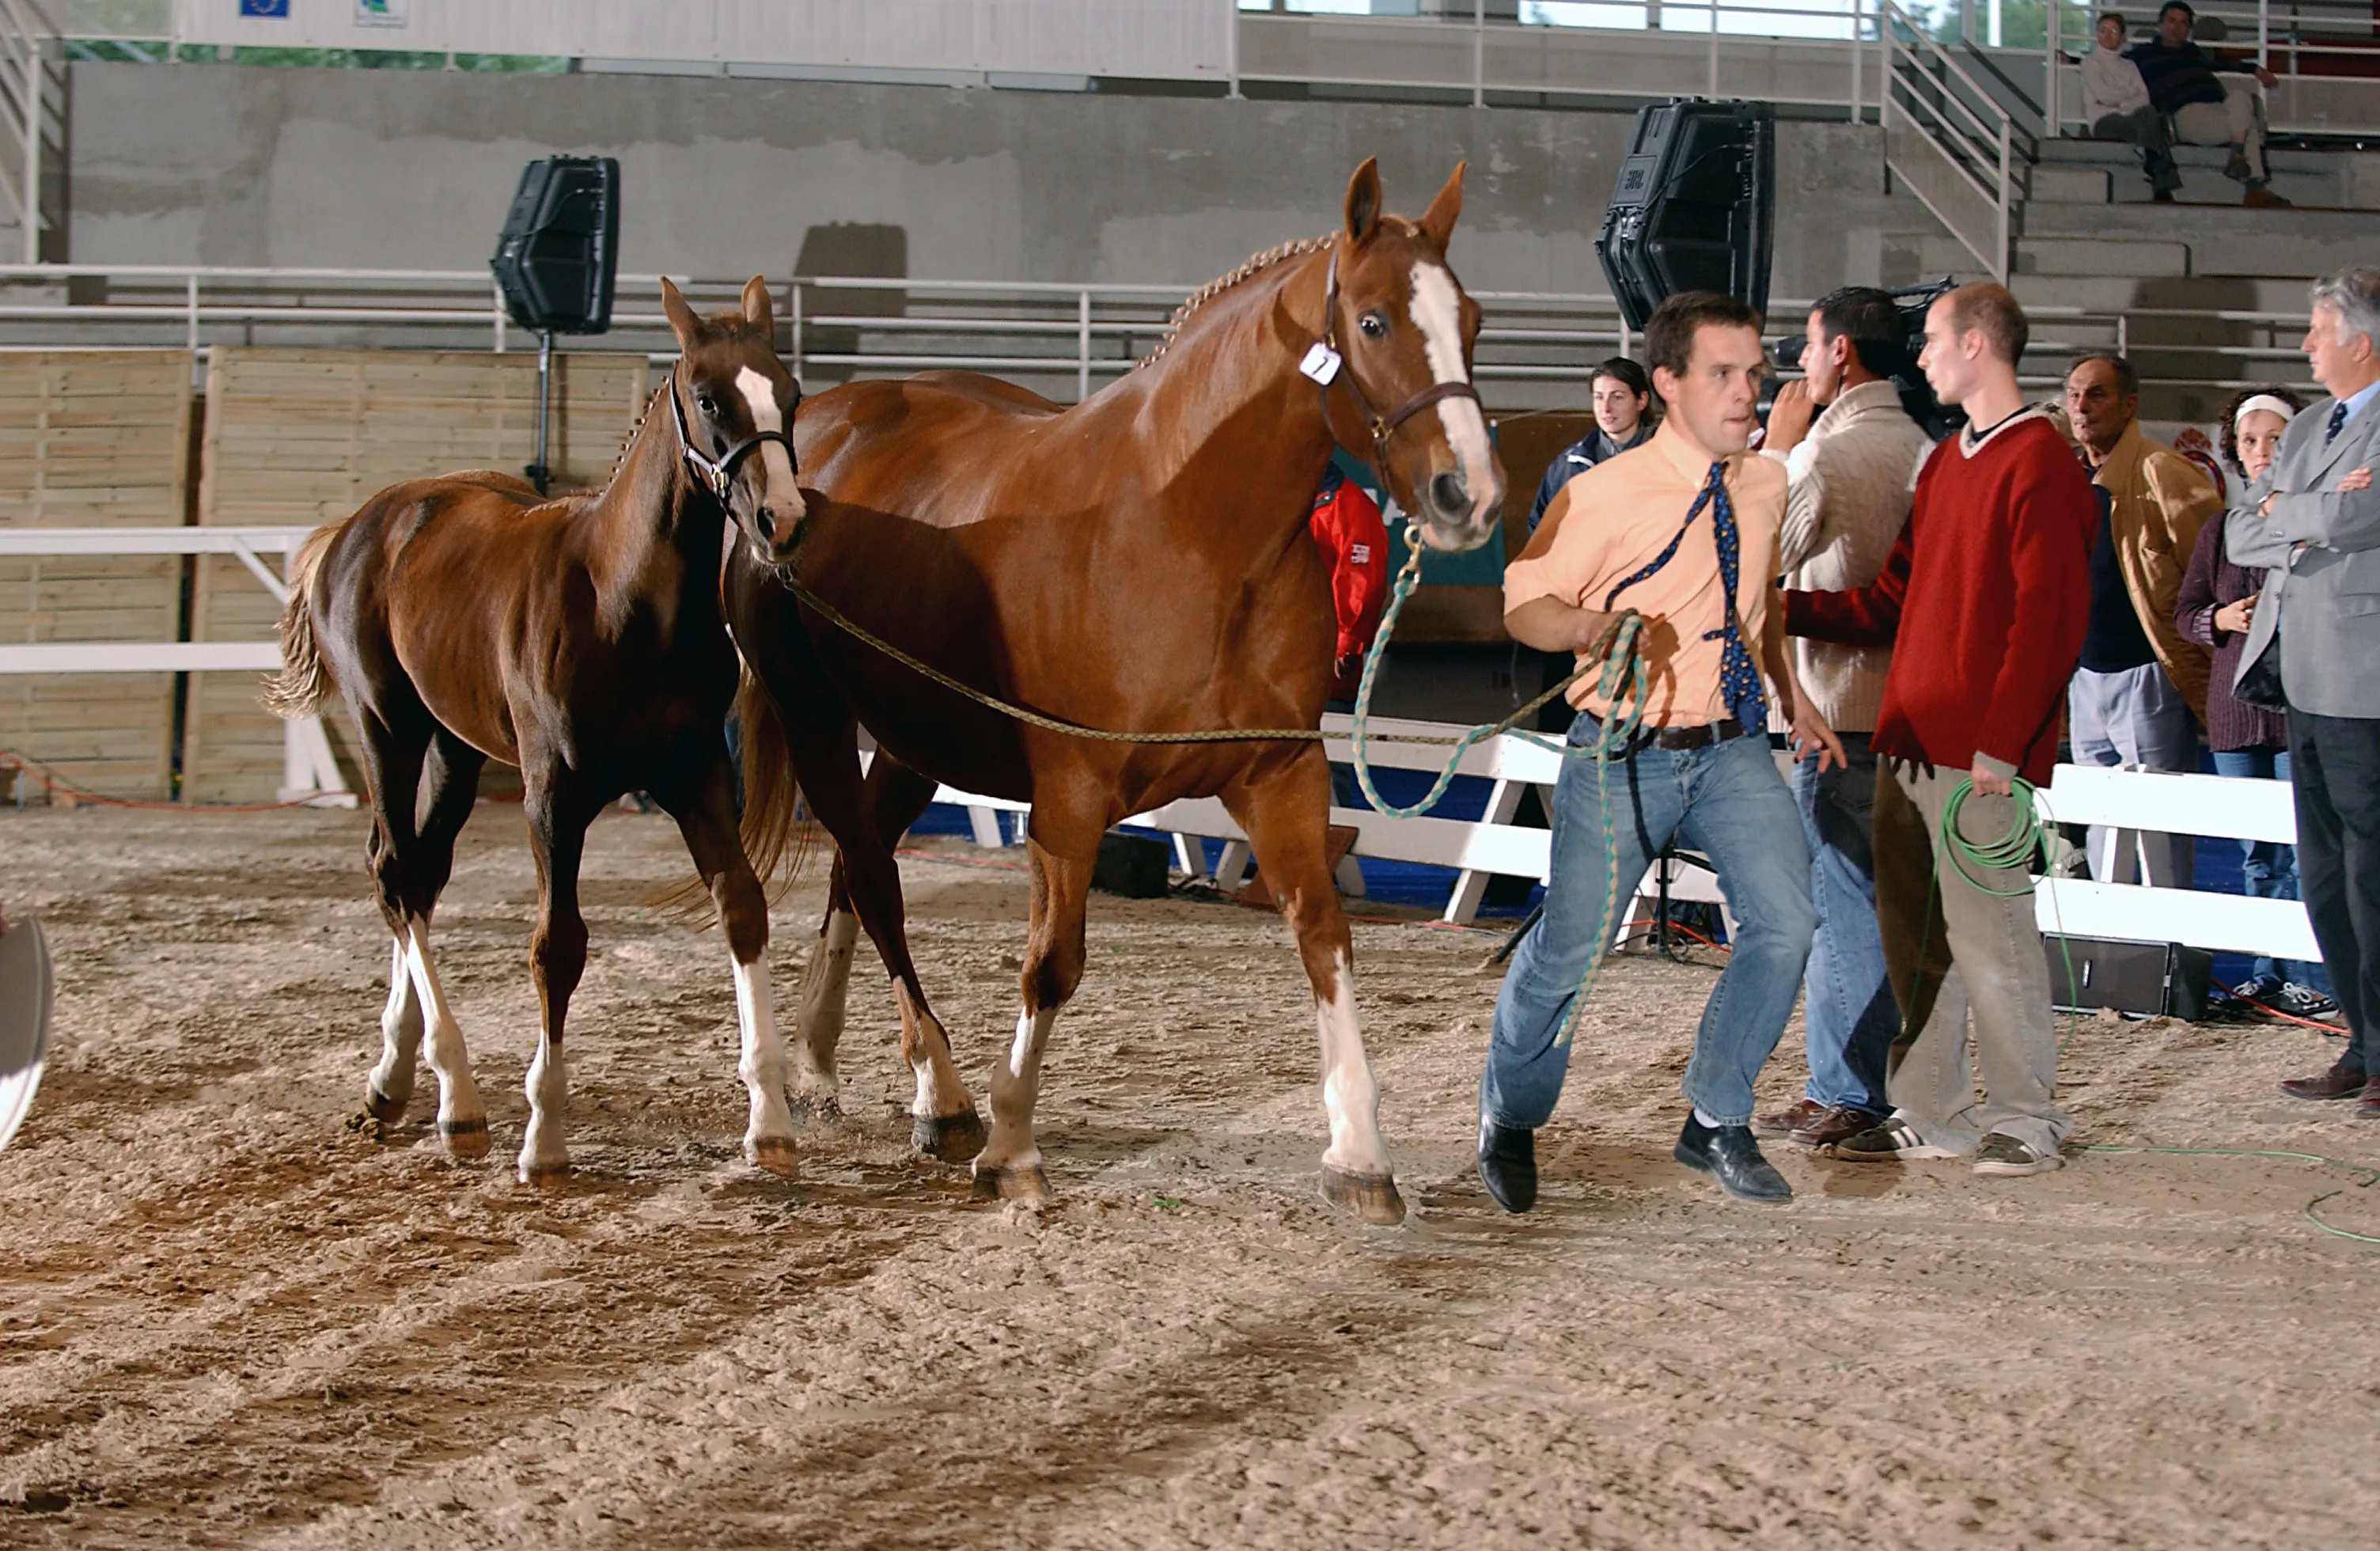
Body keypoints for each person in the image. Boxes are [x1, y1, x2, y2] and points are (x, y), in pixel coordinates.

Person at [1478, 290, 1842, 1213]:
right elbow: (1523, 601)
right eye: (1722, 372)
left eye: (1752, 372)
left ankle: (1714, 1116)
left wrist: (1795, 703)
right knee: (1570, 949)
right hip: (1618, 751)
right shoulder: (1594, 493)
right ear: (1666, 383)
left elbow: (1754, 609)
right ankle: (1510, 1115)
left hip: (1730, 749)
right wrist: (1591, 624)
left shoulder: (1764, 482)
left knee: (1787, 923)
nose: (1744, 390)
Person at [1788, 283, 2099, 1177]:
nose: (1918, 356)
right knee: (1914, 944)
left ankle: (2023, 1118)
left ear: (1974, 344)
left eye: (1929, 340)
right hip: (1905, 738)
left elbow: (2046, 622)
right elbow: (1891, 597)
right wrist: (1779, 613)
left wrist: (2003, 745)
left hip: (1976, 756)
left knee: (1993, 938)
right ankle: (1930, 1110)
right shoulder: (1945, 463)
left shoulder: (2038, 461)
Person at [1751, 286, 1931, 1150]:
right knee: (1880, 902)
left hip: (1840, 708)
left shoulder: (1825, 453)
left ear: (1842, 356)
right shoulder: (1918, 444)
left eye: (1809, 348)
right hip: (1904, 707)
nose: (1799, 363)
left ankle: (1850, 1090)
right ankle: (1858, 1081)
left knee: (1843, 903)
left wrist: (1772, 453)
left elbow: (1754, 552)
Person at [2226, 268, 2380, 1119]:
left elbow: (2357, 521)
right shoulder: (2317, 422)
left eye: (2314, 333)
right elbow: (2241, 525)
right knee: (2324, 878)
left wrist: (2297, 506)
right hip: (2304, 679)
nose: (2302, 348)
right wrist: (2306, 503)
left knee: (2371, 876)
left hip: (2364, 680)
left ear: (2359, 341)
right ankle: (2361, 1042)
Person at [2175, 387, 2339, 1021]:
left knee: (2308, 849)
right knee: (2255, 854)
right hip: (2236, 713)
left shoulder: (2320, 523)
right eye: (2250, 440)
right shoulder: (2218, 531)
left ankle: (2314, 978)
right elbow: (2185, 612)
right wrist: (2221, 618)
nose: (2262, 451)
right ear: (2234, 451)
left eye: (2275, 439)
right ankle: (2267, 976)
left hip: (2303, 706)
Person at [2062, 350, 2222, 888]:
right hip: (2086, 676)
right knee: (2103, 835)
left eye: (2097, 394)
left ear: (2130, 404)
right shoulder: (2070, 477)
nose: (2082, 407)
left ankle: (2175, 968)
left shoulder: (2164, 473)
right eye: (2074, 394)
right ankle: (2112, 966)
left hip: (2149, 675)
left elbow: (2214, 570)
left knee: (2162, 839)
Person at [2128, 0, 2288, 208]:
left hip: (2217, 109)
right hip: (2185, 114)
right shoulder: (2142, 55)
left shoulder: (2192, 52)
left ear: (2189, 29)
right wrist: (2073, 60)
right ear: (2160, 25)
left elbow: (2220, 64)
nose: (2177, 28)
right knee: (2248, 123)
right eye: (2172, 21)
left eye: (2183, 23)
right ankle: (2252, 186)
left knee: (2241, 97)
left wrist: (2255, 70)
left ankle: (2238, 155)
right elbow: (2107, 63)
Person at [1525, 357, 1654, 533]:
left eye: (1617, 397)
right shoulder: (1568, 465)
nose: (1606, 408)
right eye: (1599, 397)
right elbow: (1541, 530)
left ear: (1642, 400)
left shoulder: (1667, 460)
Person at [1307, 462, 1390, 710]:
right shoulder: (1282, 499)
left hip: (1326, 674)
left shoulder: (1348, 505)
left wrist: (1346, 645)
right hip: (1272, 665)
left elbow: (1363, 582)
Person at [2078, 11, 2182, 202]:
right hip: (2104, 120)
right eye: (2103, 30)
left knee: (2149, 112)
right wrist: (2128, 96)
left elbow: (2144, 98)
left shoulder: (2130, 65)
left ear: (2123, 36)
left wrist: (2119, 102)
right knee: (2153, 125)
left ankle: (2152, 160)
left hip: (2136, 118)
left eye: (2114, 30)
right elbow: (2104, 95)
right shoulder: (2090, 63)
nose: (2108, 35)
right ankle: (2158, 172)